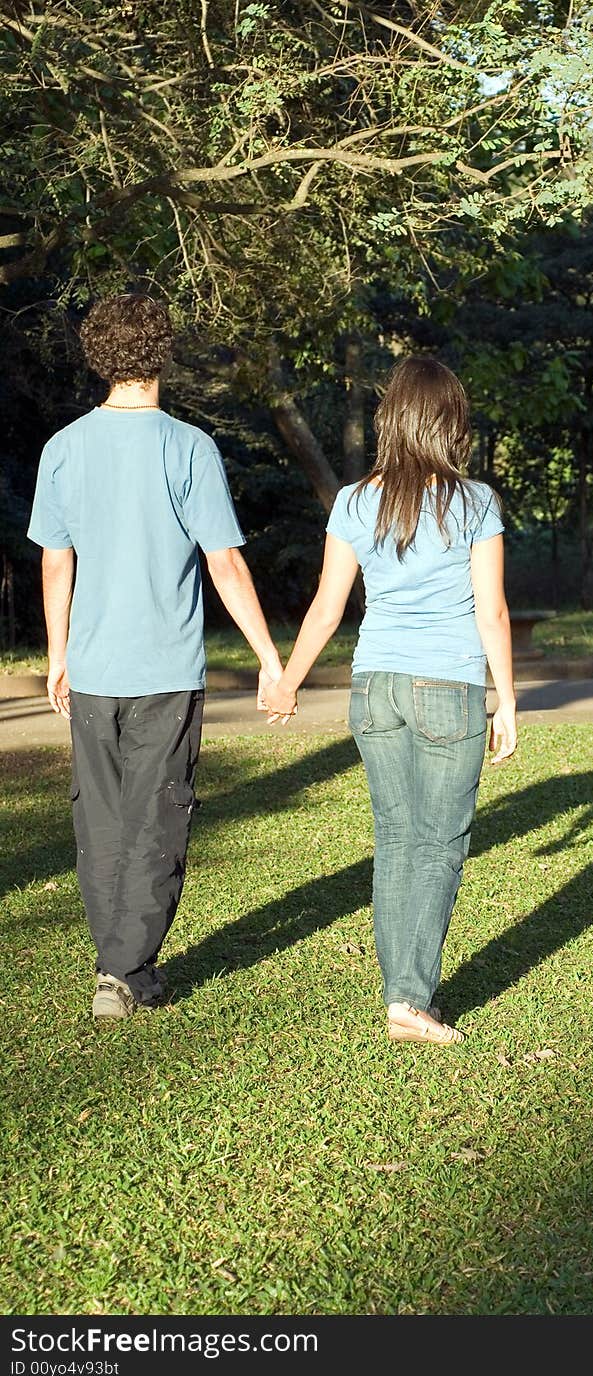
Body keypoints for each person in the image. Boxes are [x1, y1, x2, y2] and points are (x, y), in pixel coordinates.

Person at [27, 293, 282, 1021]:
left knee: (102, 819)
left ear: (98, 357)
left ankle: (119, 961)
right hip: (165, 670)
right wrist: (268, 655)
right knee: (158, 818)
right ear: (161, 351)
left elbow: (54, 564)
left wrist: (58, 654)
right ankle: (125, 968)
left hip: (96, 667)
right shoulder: (188, 447)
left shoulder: (64, 447)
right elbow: (225, 563)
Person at [264, 356, 517, 1044]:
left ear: (391, 419)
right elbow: (491, 613)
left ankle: (399, 994)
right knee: (438, 844)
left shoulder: (353, 501)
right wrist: (509, 702)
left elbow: (325, 607)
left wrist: (289, 680)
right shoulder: (475, 503)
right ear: (450, 423)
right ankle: (410, 998)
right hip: (450, 687)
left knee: (397, 839)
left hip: (375, 688)